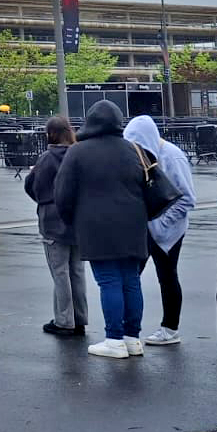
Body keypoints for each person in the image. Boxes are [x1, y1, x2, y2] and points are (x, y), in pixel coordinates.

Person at [52, 100, 149, 359]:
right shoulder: (134, 150)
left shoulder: (78, 152)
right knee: (131, 280)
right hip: (134, 224)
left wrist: (72, 221)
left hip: (96, 227)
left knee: (109, 282)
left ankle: (114, 339)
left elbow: (62, 195)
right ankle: (132, 338)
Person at [124, 115, 196, 346]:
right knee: (132, 274)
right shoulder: (138, 156)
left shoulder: (172, 156)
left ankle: (170, 328)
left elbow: (187, 199)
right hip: (145, 225)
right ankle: (127, 328)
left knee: (167, 275)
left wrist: (162, 225)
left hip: (169, 229)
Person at [23, 114, 86, 337]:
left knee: (60, 272)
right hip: (77, 219)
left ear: (50, 134)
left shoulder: (47, 158)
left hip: (52, 219)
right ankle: (80, 318)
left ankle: (64, 320)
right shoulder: (79, 154)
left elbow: (33, 188)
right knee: (77, 271)